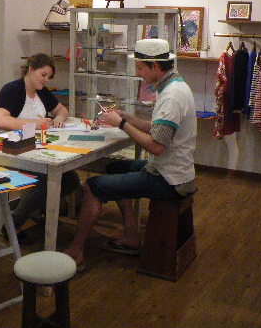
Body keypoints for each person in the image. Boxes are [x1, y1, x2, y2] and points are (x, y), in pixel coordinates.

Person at [64, 38, 196, 270]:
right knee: (114, 168)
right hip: (173, 171)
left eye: (141, 67)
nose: (138, 73)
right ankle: (131, 235)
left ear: (155, 66)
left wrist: (122, 124)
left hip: (169, 179)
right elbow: (159, 129)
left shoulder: (172, 96)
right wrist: (127, 118)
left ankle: (76, 252)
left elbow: (156, 146)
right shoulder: (175, 86)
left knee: (92, 187)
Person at [0, 53, 80, 243]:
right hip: (12, 149)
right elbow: (0, 120)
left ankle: (34, 209)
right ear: (31, 70)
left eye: (49, 76)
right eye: (43, 74)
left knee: (71, 179)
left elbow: (62, 110)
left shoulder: (41, 91)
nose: (45, 79)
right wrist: (35, 123)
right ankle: (13, 224)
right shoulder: (12, 89)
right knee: (46, 179)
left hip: (35, 149)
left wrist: (58, 119)